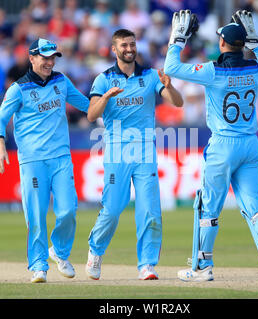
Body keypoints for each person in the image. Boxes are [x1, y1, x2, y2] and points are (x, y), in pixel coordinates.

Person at [164, 10, 258, 281]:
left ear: (221, 44)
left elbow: (171, 68)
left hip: (223, 145)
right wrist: (255, 42)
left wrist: (177, 39)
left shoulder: (212, 70)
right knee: (255, 206)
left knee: (207, 208)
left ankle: (202, 267)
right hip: (250, 145)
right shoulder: (256, 68)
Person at [85, 29, 183, 280]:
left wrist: (170, 88)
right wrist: (106, 97)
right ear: (114, 50)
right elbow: (91, 115)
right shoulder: (104, 79)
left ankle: (147, 264)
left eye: (132, 44)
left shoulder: (150, 76)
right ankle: (95, 251)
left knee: (150, 210)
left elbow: (177, 102)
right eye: (123, 45)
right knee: (114, 208)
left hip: (144, 151)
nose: (129, 49)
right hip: (117, 151)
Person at [0, 38, 92, 283]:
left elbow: (87, 106)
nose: (49, 62)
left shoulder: (61, 80)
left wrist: (109, 101)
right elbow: (0, 120)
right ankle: (38, 266)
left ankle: (59, 252)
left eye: (52, 58)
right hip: (32, 160)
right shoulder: (18, 88)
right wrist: (1, 147)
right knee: (36, 214)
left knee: (68, 211)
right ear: (32, 58)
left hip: (61, 158)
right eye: (44, 57)